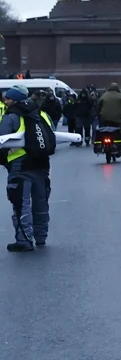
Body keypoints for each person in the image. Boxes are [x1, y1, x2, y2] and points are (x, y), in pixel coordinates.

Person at [2, 87, 54, 252]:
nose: (5, 101)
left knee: (20, 203)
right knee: (41, 201)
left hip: (20, 165)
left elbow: (2, 139)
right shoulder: (41, 114)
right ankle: (41, 237)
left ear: (15, 101)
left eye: (8, 99)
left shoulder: (12, 116)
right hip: (42, 164)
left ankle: (24, 239)